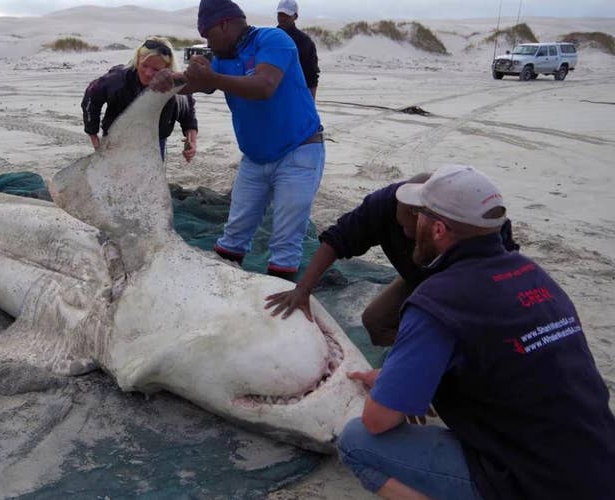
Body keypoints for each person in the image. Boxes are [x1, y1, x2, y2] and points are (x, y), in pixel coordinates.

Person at [336, 165, 615, 499]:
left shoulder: (438, 300)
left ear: (438, 229)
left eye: (419, 215)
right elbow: (508, 364)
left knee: (356, 442)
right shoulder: (533, 275)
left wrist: (389, 396)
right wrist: (395, 379)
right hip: (600, 461)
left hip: (536, 482)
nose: (410, 226)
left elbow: (377, 422)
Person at [152, 0, 325, 281]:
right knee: (233, 235)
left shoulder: (272, 39)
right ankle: (223, 291)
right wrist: (170, 80)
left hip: (299, 153)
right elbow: (197, 82)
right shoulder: (223, 57)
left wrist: (214, 76)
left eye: (208, 35)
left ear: (223, 25)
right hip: (255, 159)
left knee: (285, 242)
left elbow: (264, 86)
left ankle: (276, 310)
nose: (208, 43)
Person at [264, 173, 519, 346]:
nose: (403, 231)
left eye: (410, 229)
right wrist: (303, 289)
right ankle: (412, 357)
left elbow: (502, 279)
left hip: (471, 287)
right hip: (417, 275)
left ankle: (440, 366)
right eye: (399, 221)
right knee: (375, 321)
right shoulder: (385, 203)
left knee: (465, 339)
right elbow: (336, 239)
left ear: (433, 222)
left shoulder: (476, 222)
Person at [82, 37, 198, 162]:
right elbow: (91, 96)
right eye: (144, 65)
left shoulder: (176, 88)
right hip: (116, 140)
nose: (148, 73)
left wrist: (191, 142)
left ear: (168, 68)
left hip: (154, 142)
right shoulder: (117, 79)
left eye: (156, 69)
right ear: (137, 60)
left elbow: (188, 115)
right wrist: (93, 133)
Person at [276, 0, 319, 99]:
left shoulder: (305, 42)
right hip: (272, 95)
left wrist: (310, 103)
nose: (282, 18)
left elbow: (312, 76)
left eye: (287, 15)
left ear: (295, 16)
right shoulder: (268, 38)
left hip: (296, 95)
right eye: (280, 14)